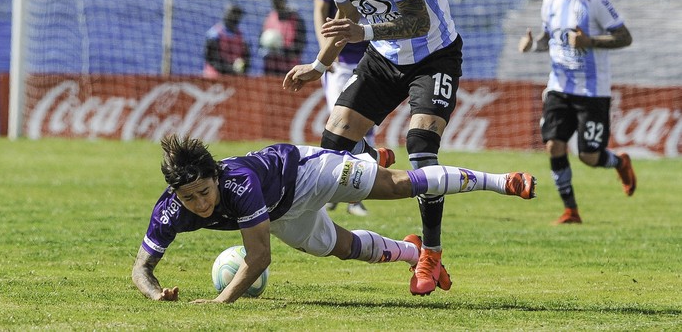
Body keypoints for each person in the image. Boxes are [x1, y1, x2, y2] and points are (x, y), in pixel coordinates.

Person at [277, 0, 464, 296]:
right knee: (332, 143)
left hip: (434, 55)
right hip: (384, 58)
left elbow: (416, 21)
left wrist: (363, 32)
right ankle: (368, 159)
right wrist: (319, 66)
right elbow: (347, 15)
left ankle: (430, 252)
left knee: (420, 145)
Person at [132, 134, 536, 303]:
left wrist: (220, 302)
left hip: (308, 172)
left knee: (397, 186)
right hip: (281, 213)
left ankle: (501, 180)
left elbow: (258, 258)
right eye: (189, 198)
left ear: (215, 177)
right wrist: (156, 294)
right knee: (343, 249)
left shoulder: (237, 184)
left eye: (204, 192)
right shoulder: (170, 209)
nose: (199, 204)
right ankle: (411, 253)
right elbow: (142, 268)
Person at [518, 0, 637, 225]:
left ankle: (619, 162)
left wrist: (590, 41)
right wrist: (533, 45)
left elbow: (625, 36)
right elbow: (549, 41)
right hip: (558, 87)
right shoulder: (549, 2)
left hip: (592, 92)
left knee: (589, 156)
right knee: (553, 146)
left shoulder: (595, 0)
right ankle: (571, 211)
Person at [309, 0, 377, 217]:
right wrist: (326, 54)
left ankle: (356, 195)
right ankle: (336, 189)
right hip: (339, 62)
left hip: (372, 60)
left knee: (365, 126)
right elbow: (321, 13)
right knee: (341, 123)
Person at [261, 0, 307, 76]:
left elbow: (301, 45)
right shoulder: (269, 18)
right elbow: (261, 42)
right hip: (270, 69)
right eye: (274, 2)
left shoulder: (296, 20)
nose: (276, 5)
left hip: (290, 69)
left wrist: (283, 51)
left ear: (284, 1)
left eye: (278, 2)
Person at [203, 4, 250, 78]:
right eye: (233, 13)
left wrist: (243, 68)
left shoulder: (242, 36)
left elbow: (247, 58)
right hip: (214, 77)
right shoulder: (214, 34)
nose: (235, 17)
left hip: (236, 79)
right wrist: (231, 70)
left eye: (238, 14)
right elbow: (212, 59)